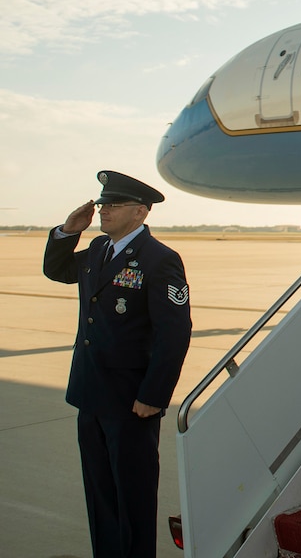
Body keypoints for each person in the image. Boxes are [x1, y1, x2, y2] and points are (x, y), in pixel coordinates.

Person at [43, 170, 192, 558]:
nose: (103, 210)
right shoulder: (96, 250)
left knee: (133, 497)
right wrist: (66, 230)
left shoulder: (160, 260)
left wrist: (154, 396)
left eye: (113, 204)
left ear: (140, 212)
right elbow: (56, 271)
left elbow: (173, 334)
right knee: (100, 497)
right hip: (90, 395)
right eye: (102, 203)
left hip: (131, 403)